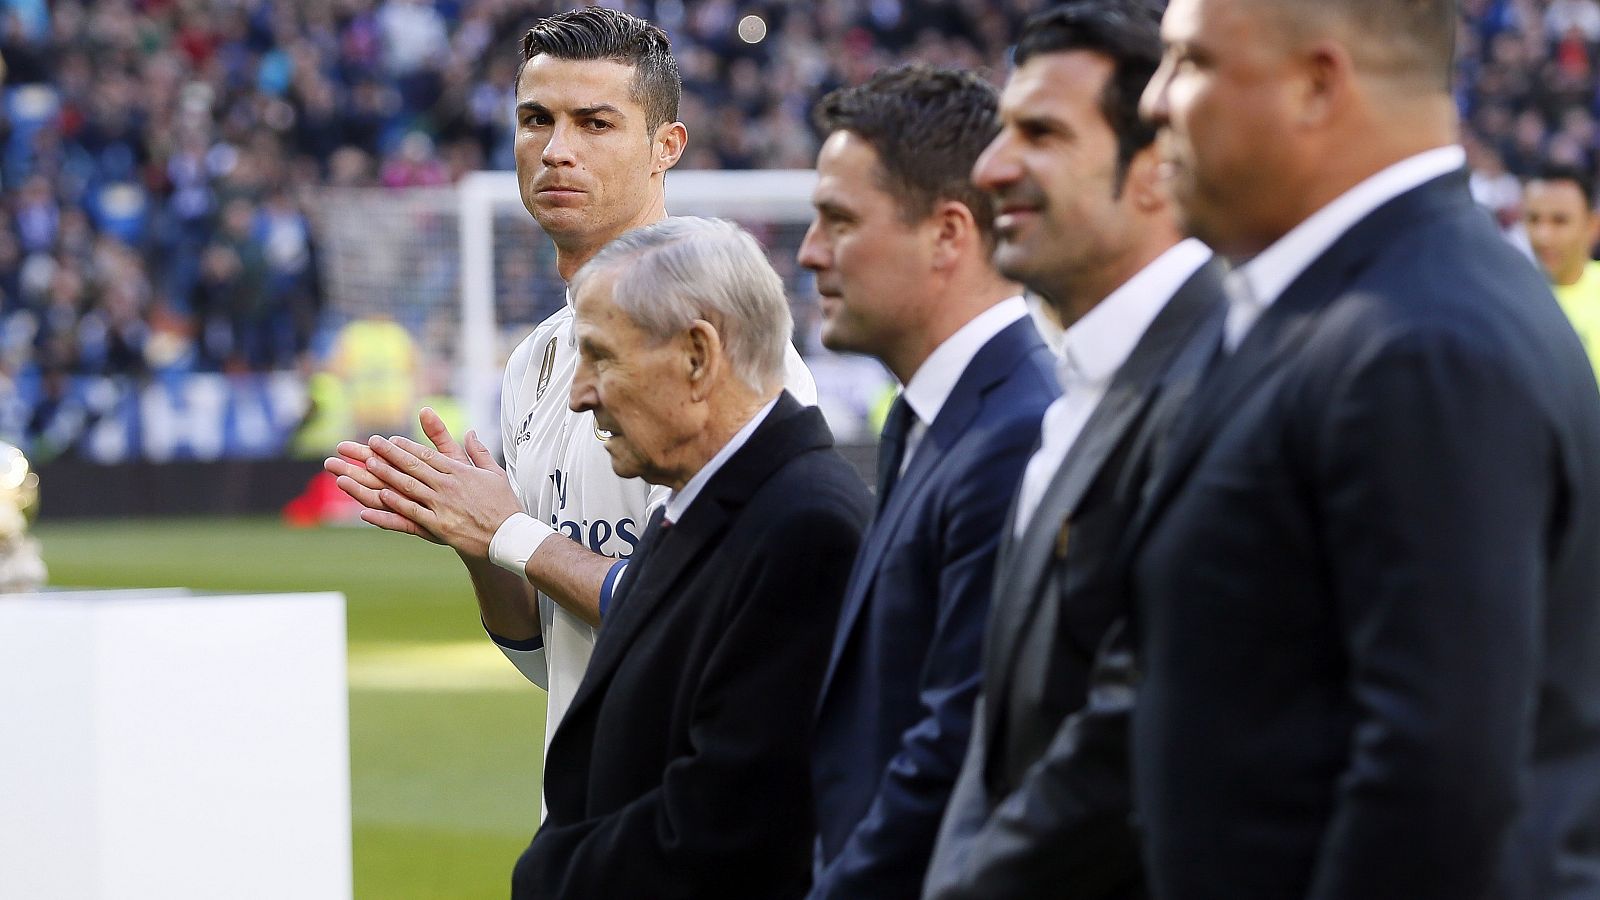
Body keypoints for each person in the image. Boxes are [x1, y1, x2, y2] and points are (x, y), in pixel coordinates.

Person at [1131, 0, 1600, 895]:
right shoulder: (1358, 302)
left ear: (1317, 85)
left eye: (1189, 62)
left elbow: (1434, 782)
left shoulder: (1420, 340)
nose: (1155, 102)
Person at [323, 6, 815, 812]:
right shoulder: (538, 359)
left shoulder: (716, 346)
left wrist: (514, 532)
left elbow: (723, 624)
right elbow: (552, 657)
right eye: (535, 119)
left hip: (704, 838)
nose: (556, 149)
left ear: (667, 148)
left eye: (595, 122)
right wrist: (476, 540)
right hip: (588, 832)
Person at [923, 4, 1224, 897]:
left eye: (1041, 132)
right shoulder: (1090, 378)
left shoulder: (1220, 380)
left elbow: (1134, 736)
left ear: (1155, 172)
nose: (991, 167)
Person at [511, 217, 871, 898]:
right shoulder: (699, 507)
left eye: (602, 358)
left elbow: (729, 830)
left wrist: (547, 876)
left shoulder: (806, 531)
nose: (581, 393)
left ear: (699, 358)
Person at [798, 65, 1059, 900]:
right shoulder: (925, 413)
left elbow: (955, 748)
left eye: (839, 222)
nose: (810, 252)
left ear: (949, 234)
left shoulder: (1018, 434)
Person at [1523, 163, 1600, 377]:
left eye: (1560, 221)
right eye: (1533, 219)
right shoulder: (1508, 301)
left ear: (1592, 226)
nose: (1543, 235)